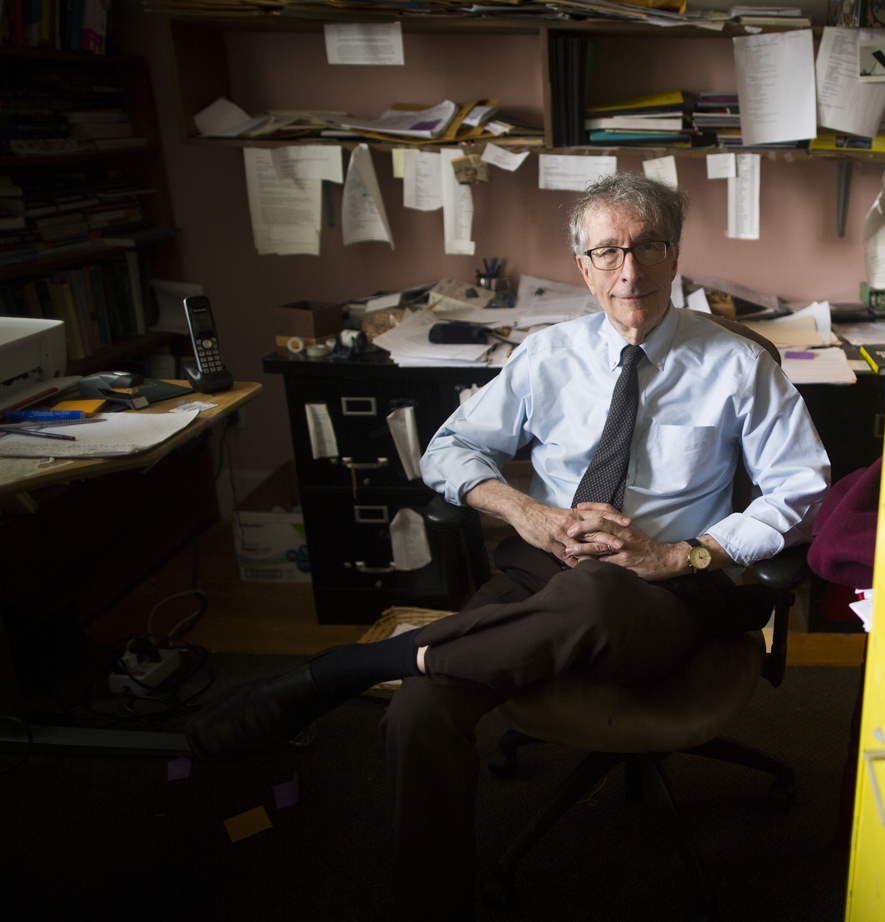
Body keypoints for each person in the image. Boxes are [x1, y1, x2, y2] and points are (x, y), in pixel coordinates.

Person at [186, 172, 830, 920]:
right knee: (421, 711)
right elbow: (449, 450)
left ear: (674, 252)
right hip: (539, 570)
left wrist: (682, 555)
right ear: (583, 266)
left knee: (594, 593)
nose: (631, 271)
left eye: (649, 246)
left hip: (665, 592)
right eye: (609, 251)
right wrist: (523, 512)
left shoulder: (736, 364)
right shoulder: (546, 355)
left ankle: (352, 668)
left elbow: (804, 490)